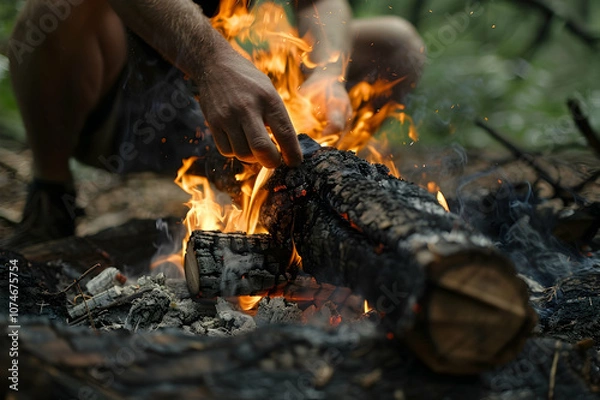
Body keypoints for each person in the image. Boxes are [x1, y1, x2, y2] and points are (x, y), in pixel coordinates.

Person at [4, 0, 425, 248]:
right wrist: (211, 63)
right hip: (113, 108)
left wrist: (327, 74)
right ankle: (50, 193)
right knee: (55, 8)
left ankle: (284, 191)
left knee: (395, 46)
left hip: (229, 119)